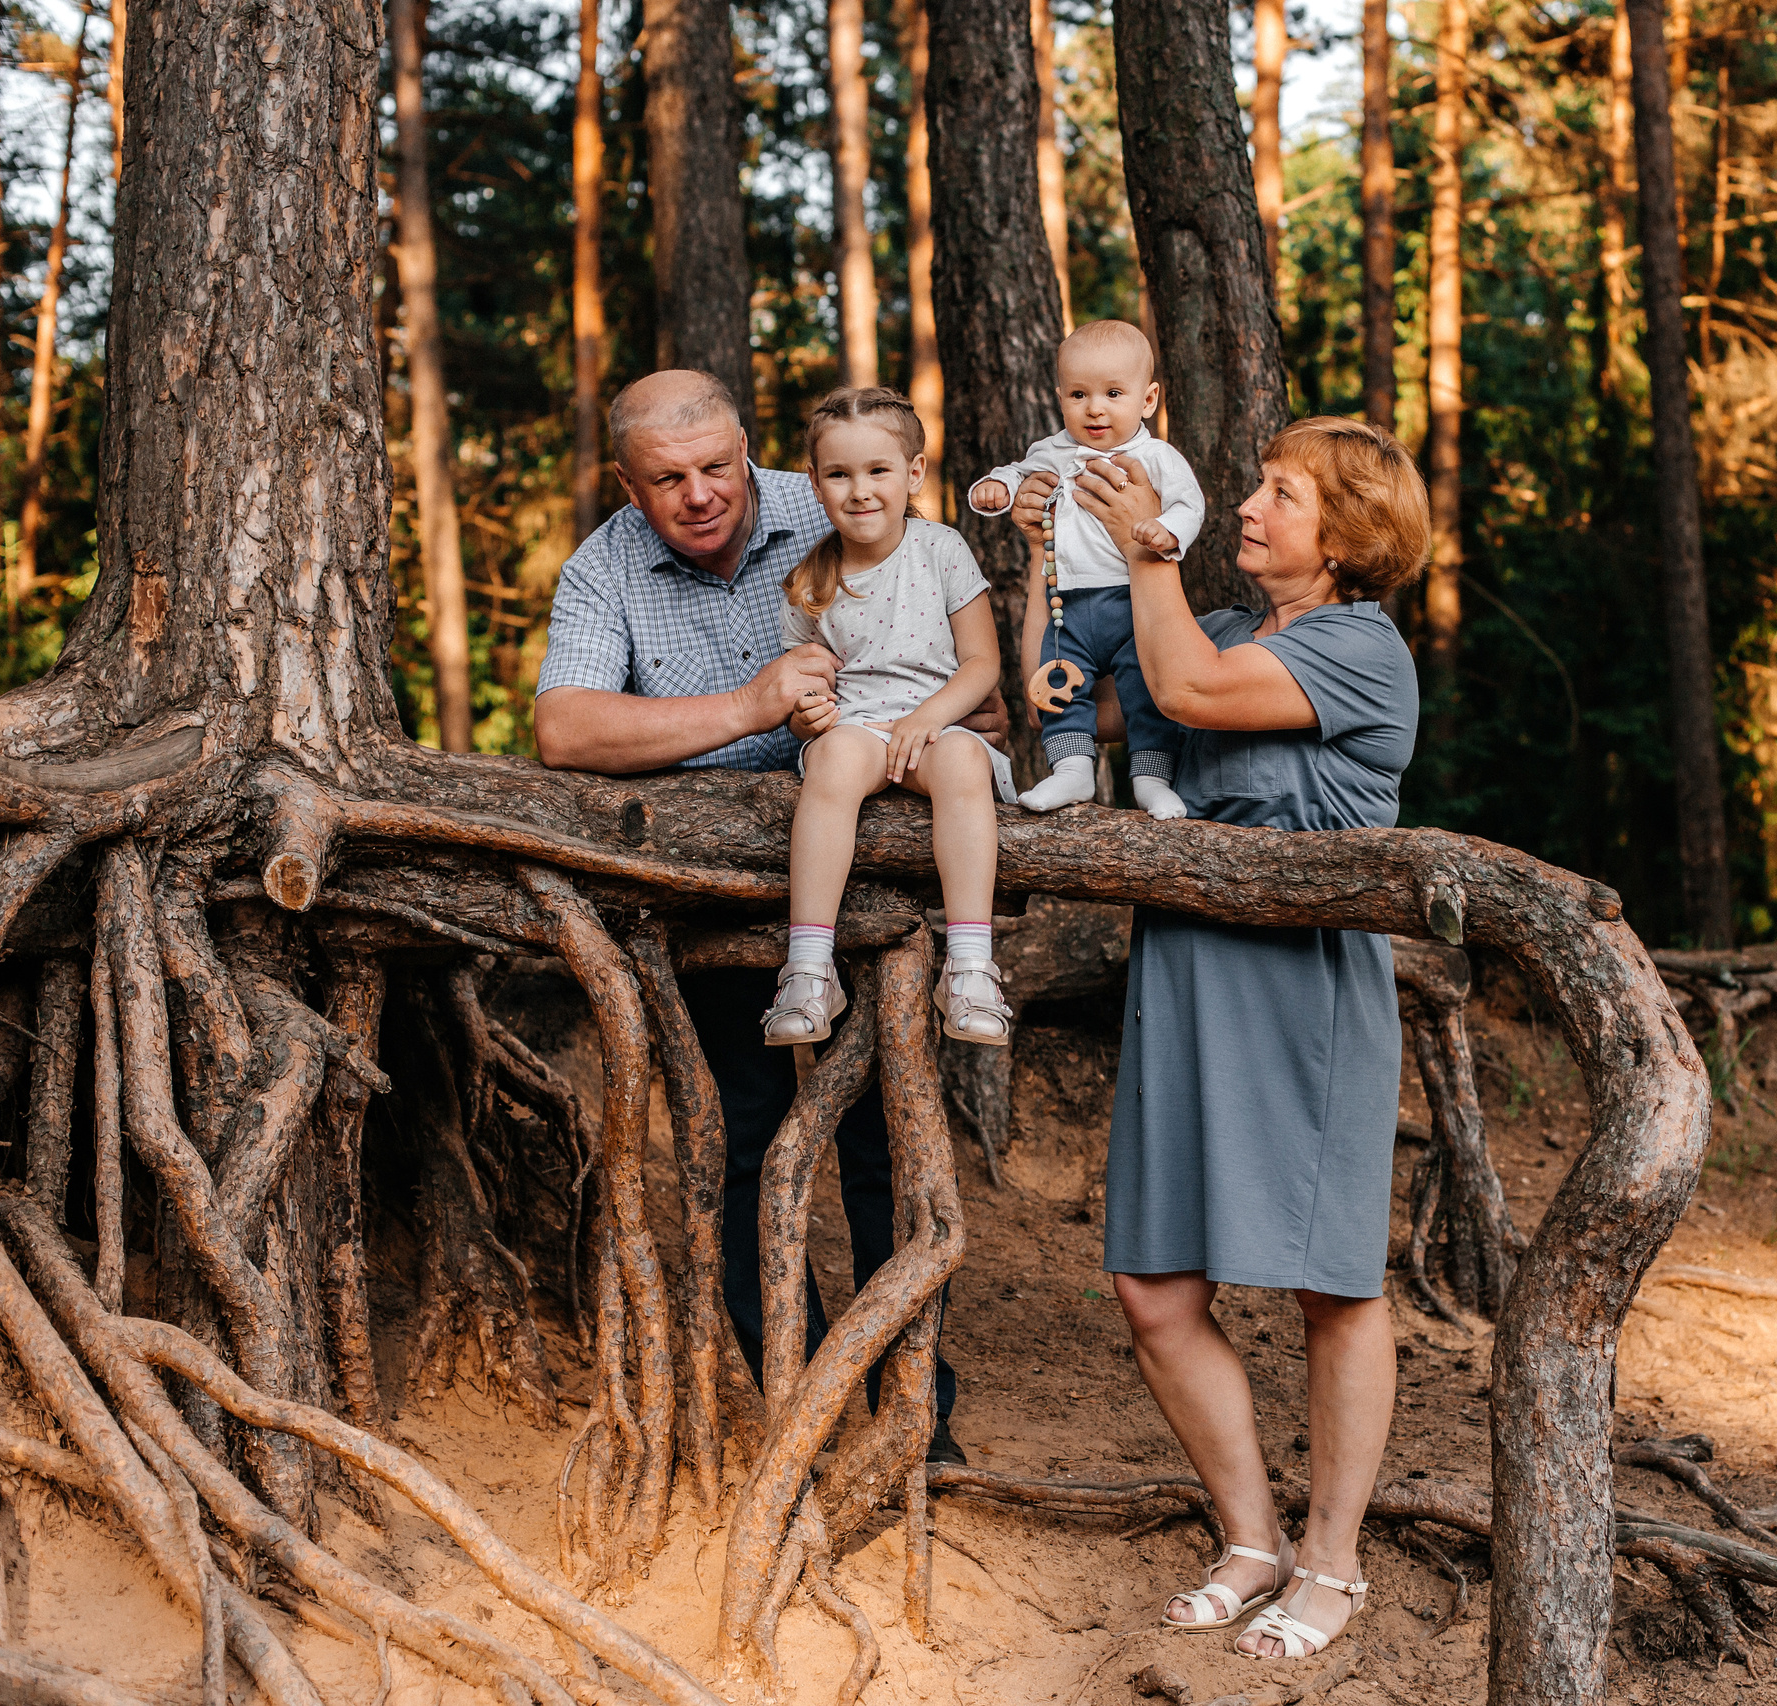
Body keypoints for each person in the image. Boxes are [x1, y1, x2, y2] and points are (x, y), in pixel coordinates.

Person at [1018, 417, 1427, 1660]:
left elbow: (1187, 693)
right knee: (1153, 1283)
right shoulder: (1237, 632)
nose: (1246, 506)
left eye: (1278, 493)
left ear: (1347, 537)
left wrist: (1146, 549)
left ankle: (1333, 1561)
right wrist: (1050, 585)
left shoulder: (1361, 648)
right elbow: (1108, 718)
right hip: (1184, 972)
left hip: (1301, 985)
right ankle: (1251, 1536)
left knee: (1332, 1280)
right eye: (1255, 486)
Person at [536, 368, 987, 1462]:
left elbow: (959, 642)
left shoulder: (837, 498)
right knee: (733, 1140)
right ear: (627, 484)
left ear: (748, 452)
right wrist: (750, 704)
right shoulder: (602, 568)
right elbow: (564, 730)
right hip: (713, 904)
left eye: (717, 468)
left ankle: (911, 1396)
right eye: (667, 479)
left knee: (885, 1141)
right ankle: (795, 1383)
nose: (699, 494)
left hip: (864, 888)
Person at [772, 387, 1016, 1048]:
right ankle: (809, 968)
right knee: (833, 758)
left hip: (938, 730)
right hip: (858, 731)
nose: (860, 490)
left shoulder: (940, 551)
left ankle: (969, 967)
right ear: (816, 483)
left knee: (965, 759)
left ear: (913, 474)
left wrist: (926, 718)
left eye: (878, 470)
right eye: (839, 474)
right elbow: (808, 690)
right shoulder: (810, 581)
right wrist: (808, 717)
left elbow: (982, 663)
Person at [966, 320, 1205, 820]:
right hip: (1067, 603)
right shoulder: (1053, 451)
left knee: (1144, 685)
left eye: (1114, 393)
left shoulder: (1155, 456)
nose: (1095, 408)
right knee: (1059, 683)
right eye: (1079, 394)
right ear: (1060, 398)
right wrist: (998, 487)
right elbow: (1018, 472)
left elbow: (1189, 503)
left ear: (1148, 399)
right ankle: (1071, 771)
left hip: (1131, 601)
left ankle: (1151, 778)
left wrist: (1170, 531)